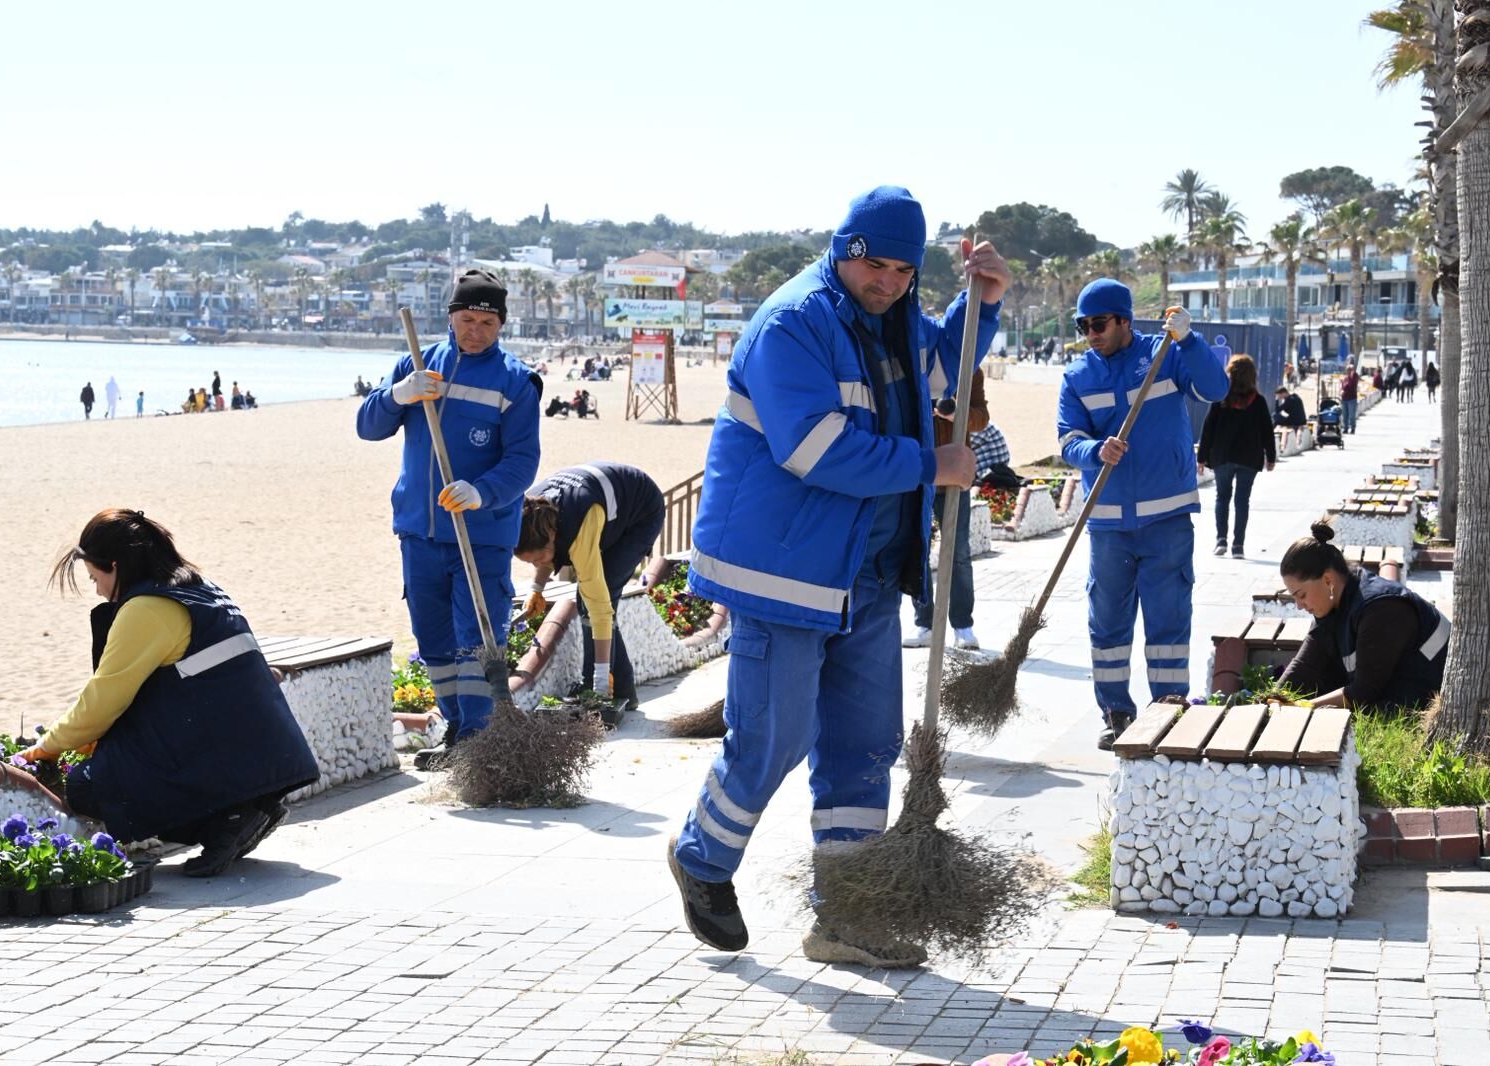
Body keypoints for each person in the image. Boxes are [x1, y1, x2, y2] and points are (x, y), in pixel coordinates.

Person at [668, 186, 1007, 967]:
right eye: (875, 265)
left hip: (871, 572)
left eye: (902, 270)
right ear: (845, 250)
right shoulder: (795, 323)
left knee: (862, 746)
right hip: (784, 570)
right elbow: (812, 449)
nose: (887, 281)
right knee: (773, 740)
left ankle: (846, 917)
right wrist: (934, 463)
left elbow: (939, 360)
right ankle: (701, 859)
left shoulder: (895, 321)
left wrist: (980, 306)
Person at [17, 509, 320, 877]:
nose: (96, 589)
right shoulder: (202, 589)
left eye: (95, 577)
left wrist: (45, 748)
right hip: (266, 756)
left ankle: (227, 822)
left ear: (115, 565)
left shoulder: (147, 609)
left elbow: (103, 700)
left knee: (88, 787)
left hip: (232, 763)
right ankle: (243, 813)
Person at [356, 269, 541, 747]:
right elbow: (368, 427)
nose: (474, 331)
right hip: (420, 531)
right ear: (450, 318)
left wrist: (482, 491)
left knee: (476, 638)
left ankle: (479, 740)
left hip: (482, 534)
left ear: (500, 325)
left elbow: (522, 461)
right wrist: (399, 395)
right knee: (432, 638)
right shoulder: (417, 365)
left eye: (486, 322)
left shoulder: (515, 382)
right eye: (465, 319)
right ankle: (455, 727)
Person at [1056, 280, 1227, 750]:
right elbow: (1068, 440)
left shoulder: (1165, 355)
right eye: (1083, 325)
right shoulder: (1077, 377)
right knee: (1107, 622)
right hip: (1108, 524)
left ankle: (1168, 711)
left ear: (1125, 321)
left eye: (1099, 324)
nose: (1091, 333)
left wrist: (1189, 340)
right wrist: (1095, 449)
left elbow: (1216, 388)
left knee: (1168, 620)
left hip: (1167, 518)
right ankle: (1116, 713)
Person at [515, 462, 665, 716]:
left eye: (538, 559)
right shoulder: (534, 513)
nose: (538, 565)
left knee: (591, 598)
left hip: (641, 512)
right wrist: (537, 588)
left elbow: (600, 609)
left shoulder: (578, 524)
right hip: (604, 500)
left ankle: (598, 686)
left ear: (552, 536)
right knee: (588, 595)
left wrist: (599, 682)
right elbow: (544, 552)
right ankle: (623, 690)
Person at [1276, 521, 1449, 710]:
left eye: (1301, 595)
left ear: (1327, 579)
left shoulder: (1381, 608)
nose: (1300, 606)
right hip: (1396, 691)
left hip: (1426, 698)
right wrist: (1275, 697)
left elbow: (1363, 692)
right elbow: (1305, 665)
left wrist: (1302, 706)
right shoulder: (1336, 600)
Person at [904, 399, 995, 650]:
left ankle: (963, 626)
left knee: (958, 553)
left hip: (954, 476)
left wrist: (955, 413)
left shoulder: (968, 366)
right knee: (916, 549)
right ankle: (925, 625)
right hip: (917, 473)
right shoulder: (913, 363)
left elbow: (981, 419)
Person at [1197, 354, 1276, 559]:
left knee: (1222, 497)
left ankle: (1221, 540)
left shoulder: (1221, 399)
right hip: (1249, 458)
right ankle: (1238, 546)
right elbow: (1267, 430)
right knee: (1242, 501)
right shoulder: (1257, 401)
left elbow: (1208, 429)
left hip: (1223, 456)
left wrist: (1201, 457)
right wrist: (1271, 457)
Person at [1341, 362, 1361, 435]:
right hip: (1344, 398)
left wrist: (1344, 388)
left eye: (1350, 369)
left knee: (1351, 415)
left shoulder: (1354, 377)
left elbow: (1351, 386)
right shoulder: (1345, 378)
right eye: (1348, 370)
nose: (1348, 371)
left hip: (1352, 398)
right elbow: (1343, 387)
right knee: (1345, 415)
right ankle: (1345, 428)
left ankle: (1352, 428)